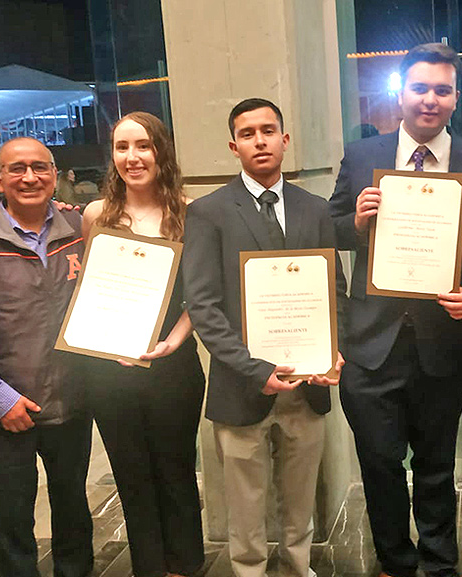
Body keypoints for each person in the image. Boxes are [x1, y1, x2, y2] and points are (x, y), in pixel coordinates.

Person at [327, 43, 462, 577]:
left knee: (438, 465)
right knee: (379, 464)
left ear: (455, 98)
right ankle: (396, 561)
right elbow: (328, 229)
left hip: (445, 342)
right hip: (372, 345)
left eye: (442, 90)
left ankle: (440, 565)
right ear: (400, 93)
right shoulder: (362, 155)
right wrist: (355, 221)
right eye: (420, 88)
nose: (430, 100)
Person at [182, 98, 345, 577]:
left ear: (285, 140)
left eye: (268, 130)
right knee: (246, 501)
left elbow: (334, 291)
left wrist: (336, 351)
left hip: (310, 382)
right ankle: (249, 570)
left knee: (300, 496)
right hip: (242, 384)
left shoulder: (316, 210)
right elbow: (205, 307)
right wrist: (257, 370)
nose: (260, 140)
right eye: (248, 133)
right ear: (234, 146)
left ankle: (298, 566)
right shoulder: (209, 212)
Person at [0, 137, 93, 577]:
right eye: (17, 169)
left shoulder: (81, 230)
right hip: (4, 411)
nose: (30, 177)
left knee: (73, 508)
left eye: (40, 167)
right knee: (13, 521)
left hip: (71, 401)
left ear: (55, 174)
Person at [79, 112, 206, 577]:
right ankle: (149, 566)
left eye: (142, 146)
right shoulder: (97, 215)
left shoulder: (192, 212)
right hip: (109, 368)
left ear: (161, 151)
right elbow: (90, 290)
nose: (131, 157)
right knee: (131, 473)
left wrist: (173, 341)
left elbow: (205, 294)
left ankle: (186, 564)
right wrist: (100, 339)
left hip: (172, 364)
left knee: (175, 470)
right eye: (121, 147)